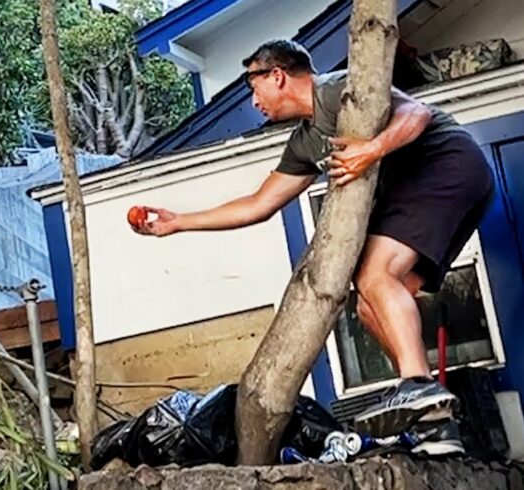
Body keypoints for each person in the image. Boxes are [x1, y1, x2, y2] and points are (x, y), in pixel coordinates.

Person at [131, 39, 494, 454]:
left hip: (444, 163)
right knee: (369, 305)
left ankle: (416, 386)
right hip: (447, 186)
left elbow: (417, 112)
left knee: (375, 274)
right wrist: (178, 223)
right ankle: (435, 425)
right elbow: (258, 204)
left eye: (254, 89)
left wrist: (370, 150)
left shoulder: (336, 89)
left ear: (277, 76)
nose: (254, 102)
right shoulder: (305, 143)